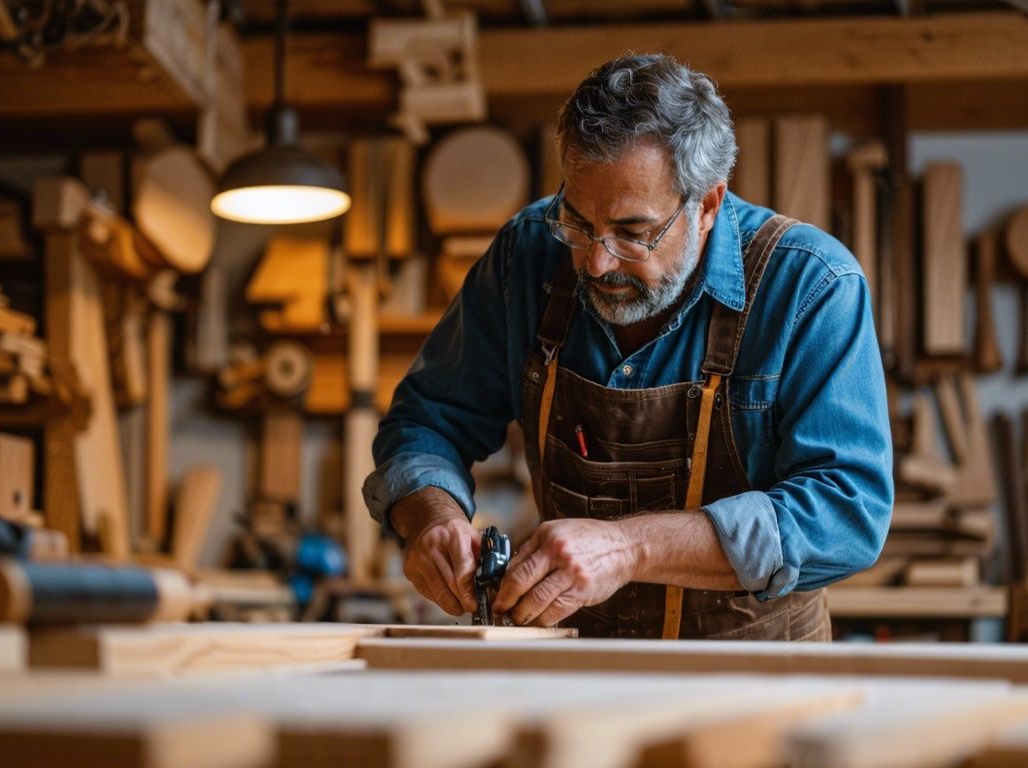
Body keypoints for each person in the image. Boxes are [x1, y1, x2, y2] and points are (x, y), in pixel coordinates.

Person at [364, 53, 892, 640]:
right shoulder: (527, 257)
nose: (597, 260)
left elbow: (848, 511)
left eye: (633, 234)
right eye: (579, 223)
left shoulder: (811, 286)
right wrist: (432, 517)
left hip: (758, 678)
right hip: (575, 661)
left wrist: (628, 547)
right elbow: (425, 421)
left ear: (708, 205)